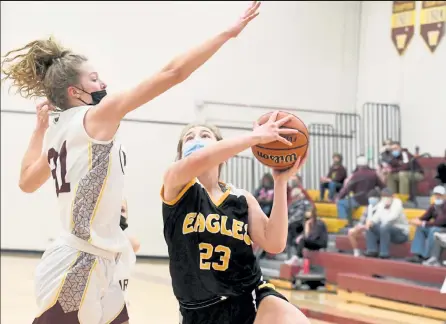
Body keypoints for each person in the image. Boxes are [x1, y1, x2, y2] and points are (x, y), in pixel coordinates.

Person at [2, 2, 261, 322]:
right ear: (77, 92)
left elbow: (26, 181)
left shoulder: (59, 130)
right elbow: (173, 73)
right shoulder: (96, 117)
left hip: (105, 260)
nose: (103, 84)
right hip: (79, 263)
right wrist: (228, 33)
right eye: (94, 79)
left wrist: (39, 130)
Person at [161, 113, 310, 323]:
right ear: (180, 153)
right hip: (199, 310)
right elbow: (199, 159)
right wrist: (255, 138)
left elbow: (274, 243)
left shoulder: (241, 198)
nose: (196, 140)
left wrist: (280, 182)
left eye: (204, 135)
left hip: (247, 296)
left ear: (221, 147)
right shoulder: (175, 185)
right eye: (189, 138)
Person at [336, 156, 385, 222]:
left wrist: (339, 197)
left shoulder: (355, 175)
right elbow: (382, 186)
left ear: (358, 165)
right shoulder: (373, 174)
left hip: (359, 199)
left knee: (341, 203)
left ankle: (344, 222)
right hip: (370, 199)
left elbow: (347, 188)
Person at [364, 189, 409, 258]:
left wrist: (381, 224)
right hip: (385, 230)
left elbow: (392, 217)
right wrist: (371, 222)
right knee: (371, 226)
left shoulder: (397, 203)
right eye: (384, 197)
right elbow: (376, 217)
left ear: (392, 197)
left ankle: (384, 253)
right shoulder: (381, 204)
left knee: (385, 227)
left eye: (387, 196)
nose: (386, 199)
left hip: (400, 233)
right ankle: (372, 250)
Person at [407, 185, 446, 263]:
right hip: (435, 226)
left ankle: (427, 255)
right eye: (436, 194)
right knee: (420, 228)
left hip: (443, 228)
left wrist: (422, 223)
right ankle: (418, 254)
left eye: (440, 195)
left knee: (433, 230)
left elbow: (440, 222)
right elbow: (425, 217)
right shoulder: (434, 206)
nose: (438, 196)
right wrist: (416, 220)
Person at [114, 199, 140, 309]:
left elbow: (135, 243)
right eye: (114, 209)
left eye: (122, 210)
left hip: (120, 301)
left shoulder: (129, 241)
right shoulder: (98, 239)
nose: (119, 214)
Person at [347, 189, 381, 257]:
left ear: (378, 199)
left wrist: (365, 226)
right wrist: (358, 226)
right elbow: (362, 219)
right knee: (351, 232)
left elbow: (379, 222)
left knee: (368, 229)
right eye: (370, 198)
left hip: (376, 228)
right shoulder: (368, 207)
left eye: (373, 198)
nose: (371, 200)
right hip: (366, 227)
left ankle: (372, 250)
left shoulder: (381, 207)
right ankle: (356, 252)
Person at [286, 187, 313, 260]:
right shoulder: (291, 205)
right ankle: (291, 254)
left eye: (294, 197)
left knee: (292, 227)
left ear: (298, 196)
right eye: (293, 197)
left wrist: (288, 222)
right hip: (292, 224)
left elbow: (303, 215)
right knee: (290, 229)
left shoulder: (305, 203)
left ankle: (295, 252)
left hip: (302, 223)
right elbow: (286, 214)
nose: (293, 198)